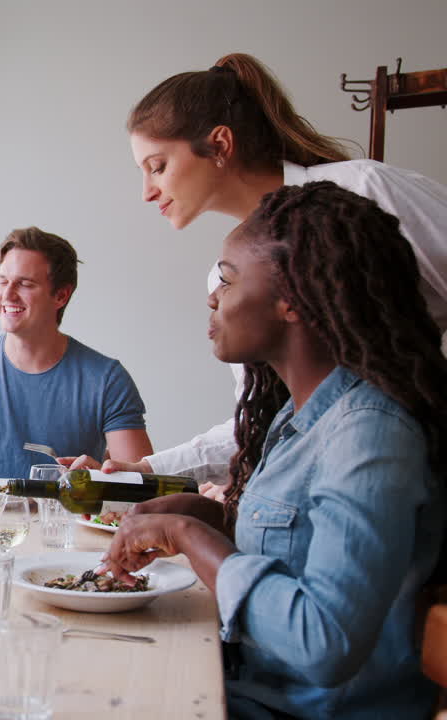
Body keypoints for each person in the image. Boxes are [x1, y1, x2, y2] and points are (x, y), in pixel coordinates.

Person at [102, 182, 447, 719]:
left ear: (293, 297)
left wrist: (190, 538)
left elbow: (323, 642)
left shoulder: (369, 435)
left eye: (228, 278)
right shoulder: (300, 415)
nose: (214, 296)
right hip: (248, 692)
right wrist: (214, 518)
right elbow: (303, 544)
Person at [113, 52, 447, 494]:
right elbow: (261, 417)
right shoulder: (227, 280)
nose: (147, 192)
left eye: (157, 166)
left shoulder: (364, 189)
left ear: (219, 145)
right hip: (339, 490)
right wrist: (142, 470)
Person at [0, 227, 153, 478]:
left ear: (61, 295)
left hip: (67, 516)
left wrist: (98, 476)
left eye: (25, 284)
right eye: (3, 280)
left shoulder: (107, 380)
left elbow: (139, 484)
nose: (7, 294)